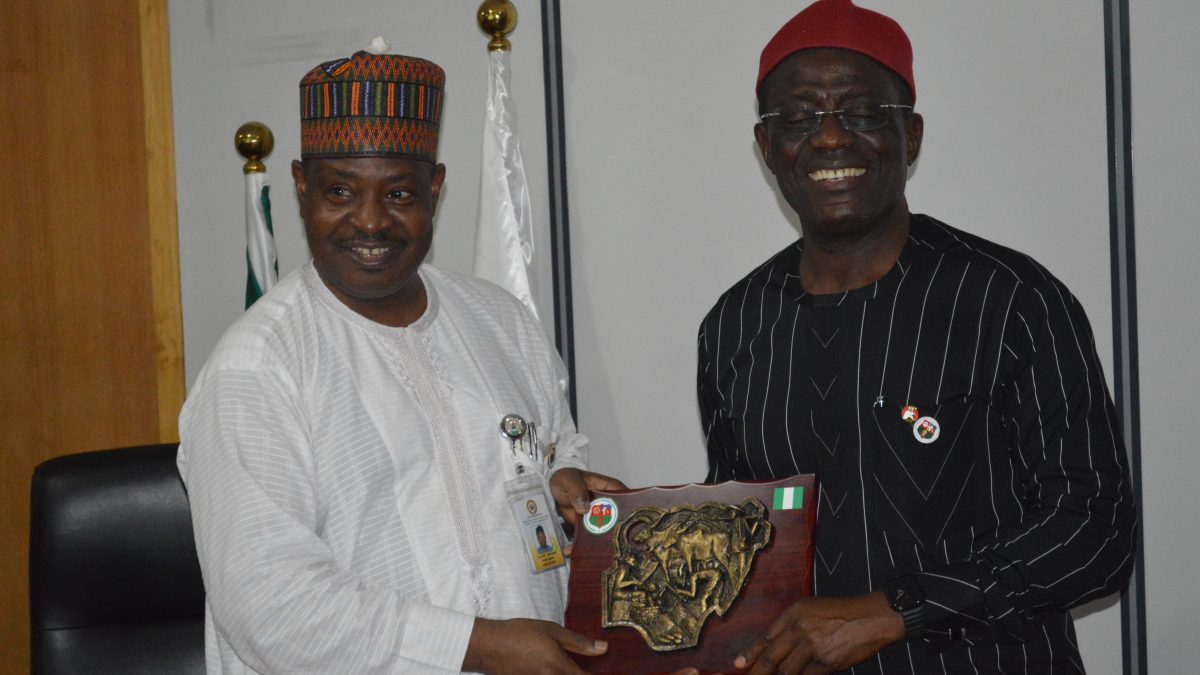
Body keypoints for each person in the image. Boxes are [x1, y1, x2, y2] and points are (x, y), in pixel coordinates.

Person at [695, 1, 1137, 673]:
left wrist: (898, 609)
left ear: (913, 136)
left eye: (864, 112)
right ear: (766, 148)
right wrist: (608, 532)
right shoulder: (734, 326)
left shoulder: (1010, 299)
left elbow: (1096, 533)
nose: (831, 138)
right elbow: (746, 540)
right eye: (798, 117)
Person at [179, 50, 635, 675]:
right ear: (301, 186)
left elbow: (554, 449)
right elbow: (274, 607)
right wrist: (484, 645)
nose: (370, 220)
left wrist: (565, 485)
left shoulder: (500, 321)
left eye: (398, 193)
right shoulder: (257, 369)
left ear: (436, 189)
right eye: (340, 191)